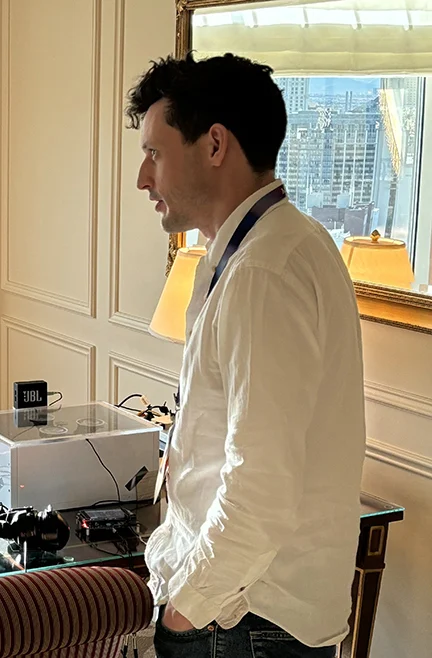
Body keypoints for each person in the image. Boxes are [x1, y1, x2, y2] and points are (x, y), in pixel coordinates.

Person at [127, 53, 366, 657]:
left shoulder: (263, 272)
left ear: (214, 145)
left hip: (243, 621)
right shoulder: (273, 248)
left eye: (155, 153)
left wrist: (186, 610)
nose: (143, 178)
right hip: (241, 612)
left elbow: (260, 485)